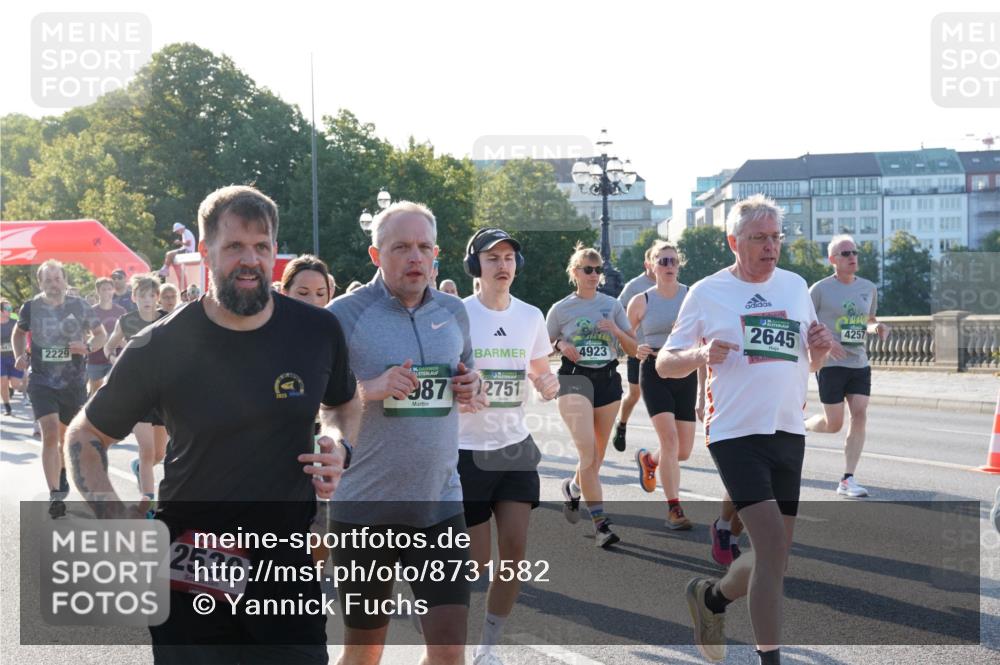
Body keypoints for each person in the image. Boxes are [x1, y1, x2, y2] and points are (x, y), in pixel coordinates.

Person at [66, 185, 362, 664]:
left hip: (286, 565)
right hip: (191, 565)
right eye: (234, 247)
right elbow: (85, 433)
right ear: (205, 252)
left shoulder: (317, 331)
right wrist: (111, 515)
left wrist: (336, 442)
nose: (250, 260)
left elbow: (346, 403)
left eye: (261, 247)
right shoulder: (160, 344)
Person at [656, 194, 839, 664]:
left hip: (787, 429)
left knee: (773, 556)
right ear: (734, 241)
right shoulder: (708, 292)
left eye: (776, 237)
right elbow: (664, 362)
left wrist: (819, 345)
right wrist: (698, 355)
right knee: (772, 544)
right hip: (735, 433)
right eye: (759, 238)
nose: (770, 247)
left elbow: (808, 361)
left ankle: (712, 598)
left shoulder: (796, 287)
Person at [326, 200, 483, 665]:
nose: (415, 257)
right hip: (364, 511)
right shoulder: (345, 314)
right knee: (365, 652)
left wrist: (472, 384)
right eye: (401, 247)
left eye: (424, 247)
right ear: (376, 256)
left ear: (436, 253)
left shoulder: (454, 311)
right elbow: (319, 401)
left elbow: (468, 375)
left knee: (450, 652)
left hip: (439, 505)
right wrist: (369, 388)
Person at [458, 228, 559, 665]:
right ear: (475, 266)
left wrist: (545, 381)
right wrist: (461, 387)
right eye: (492, 257)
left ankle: (488, 646)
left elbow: (537, 367)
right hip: (465, 450)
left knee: (514, 549)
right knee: (476, 562)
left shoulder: (530, 315)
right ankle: (439, 611)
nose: (503, 265)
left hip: (514, 447)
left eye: (509, 258)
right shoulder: (455, 314)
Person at [547, 243, 637, 548]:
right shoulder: (561, 308)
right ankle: (601, 524)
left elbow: (633, 348)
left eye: (597, 270)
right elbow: (541, 345)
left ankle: (573, 489)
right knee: (587, 453)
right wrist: (560, 345)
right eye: (588, 269)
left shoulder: (612, 305)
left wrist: (616, 329)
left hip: (608, 379)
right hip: (574, 379)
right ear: (575, 272)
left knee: (595, 457)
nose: (594, 275)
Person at [11, 260, 108, 518]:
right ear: (40, 283)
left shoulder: (79, 305)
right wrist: (20, 355)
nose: (53, 284)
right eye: (48, 280)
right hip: (42, 381)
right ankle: (55, 494)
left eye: (57, 279)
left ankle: (63, 472)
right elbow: (18, 334)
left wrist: (87, 347)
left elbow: (101, 335)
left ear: (64, 281)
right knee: (50, 433)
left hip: (73, 382)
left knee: (66, 438)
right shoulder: (31, 308)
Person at [805, 234, 888, 498]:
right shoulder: (819, 290)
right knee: (833, 425)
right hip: (830, 364)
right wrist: (828, 342)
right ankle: (804, 423)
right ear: (832, 260)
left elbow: (869, 319)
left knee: (860, 414)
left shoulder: (868, 287)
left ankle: (848, 478)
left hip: (859, 362)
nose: (852, 257)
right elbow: (805, 324)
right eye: (846, 254)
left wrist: (877, 327)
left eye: (854, 252)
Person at [628, 241, 697, 530]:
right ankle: (674, 508)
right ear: (651, 265)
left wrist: (705, 394)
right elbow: (623, 338)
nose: (669, 266)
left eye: (673, 261)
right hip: (654, 371)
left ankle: (649, 460)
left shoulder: (692, 296)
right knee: (669, 441)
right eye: (663, 261)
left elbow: (703, 338)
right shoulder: (641, 300)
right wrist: (635, 349)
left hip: (687, 372)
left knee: (682, 451)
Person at [103, 274, 168, 508]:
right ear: (134, 297)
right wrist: (116, 360)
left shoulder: (167, 319)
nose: (147, 300)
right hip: (136, 394)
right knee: (147, 450)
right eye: (142, 295)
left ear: (158, 297)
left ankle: (140, 469)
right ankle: (148, 504)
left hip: (162, 396)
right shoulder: (126, 321)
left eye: (152, 295)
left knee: (159, 454)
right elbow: (109, 347)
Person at [612, 245, 657, 451]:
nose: (664, 265)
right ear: (647, 263)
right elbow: (618, 309)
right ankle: (621, 424)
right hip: (638, 349)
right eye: (658, 260)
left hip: (664, 351)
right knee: (635, 394)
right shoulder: (635, 286)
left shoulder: (672, 284)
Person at [86, 277, 127, 395]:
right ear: (98, 291)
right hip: (95, 358)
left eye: (110, 289)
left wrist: (121, 342)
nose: (108, 292)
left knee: (113, 393)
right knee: (95, 394)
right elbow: (86, 334)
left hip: (115, 358)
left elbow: (124, 333)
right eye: (104, 289)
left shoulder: (121, 310)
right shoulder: (91, 311)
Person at [1, 298, 25, 415]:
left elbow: (22, 336)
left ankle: (11, 388)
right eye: (7, 308)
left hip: (13, 356)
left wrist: (23, 352)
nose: (10, 310)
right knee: (2, 382)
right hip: (0, 358)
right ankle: (7, 407)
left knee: (15, 384)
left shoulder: (14, 322)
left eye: (10, 308)